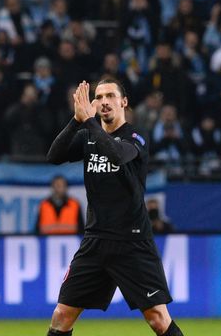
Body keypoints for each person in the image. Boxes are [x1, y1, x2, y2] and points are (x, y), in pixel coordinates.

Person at [45, 79, 184, 336]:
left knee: (157, 318)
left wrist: (88, 122)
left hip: (132, 241)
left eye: (110, 95)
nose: (104, 101)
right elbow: (53, 156)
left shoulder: (136, 138)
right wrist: (76, 121)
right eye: (99, 97)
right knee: (62, 315)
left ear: (124, 102)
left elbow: (117, 155)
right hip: (96, 240)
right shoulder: (88, 136)